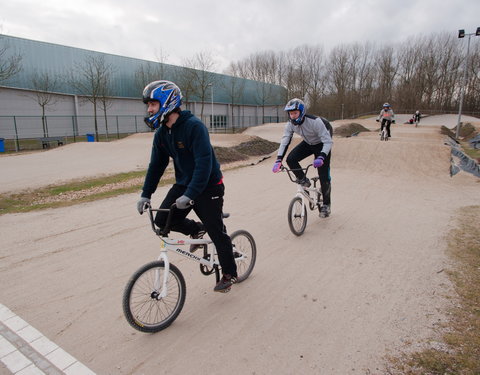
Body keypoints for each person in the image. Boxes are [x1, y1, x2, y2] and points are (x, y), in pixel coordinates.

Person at [136, 80, 237, 293]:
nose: (149, 109)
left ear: (167, 103)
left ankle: (229, 273)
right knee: (162, 220)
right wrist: (146, 194)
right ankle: (197, 230)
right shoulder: (162, 134)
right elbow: (156, 166)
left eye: (153, 104)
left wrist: (190, 194)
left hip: (209, 185)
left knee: (216, 231)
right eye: (148, 105)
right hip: (184, 184)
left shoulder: (194, 127)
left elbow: (204, 164)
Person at [272, 98, 333, 218]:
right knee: (291, 159)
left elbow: (328, 142)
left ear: (302, 112)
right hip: (308, 143)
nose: (293, 116)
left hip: (322, 143)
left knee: (323, 174)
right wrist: (278, 159)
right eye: (290, 113)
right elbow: (285, 141)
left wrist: (321, 157)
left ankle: (326, 205)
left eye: (295, 113)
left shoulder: (315, 122)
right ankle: (304, 180)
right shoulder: (290, 124)